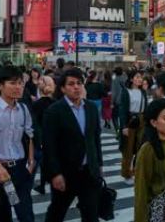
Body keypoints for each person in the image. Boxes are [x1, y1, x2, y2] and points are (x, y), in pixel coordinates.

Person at [43, 68, 104, 222]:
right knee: (57, 211)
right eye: (71, 84)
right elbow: (49, 146)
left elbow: (95, 139)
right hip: (66, 172)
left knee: (91, 214)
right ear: (62, 88)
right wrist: (55, 174)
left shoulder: (90, 108)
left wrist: (99, 165)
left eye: (79, 83)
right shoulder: (54, 111)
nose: (76, 87)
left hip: (88, 171)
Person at [0, 66, 35, 222]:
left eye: (20, 83)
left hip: (18, 171)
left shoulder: (23, 109)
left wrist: (31, 161)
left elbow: (29, 135)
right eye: (13, 83)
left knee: (24, 212)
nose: (18, 87)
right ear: (0, 86)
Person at [119, 70, 147, 185]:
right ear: (131, 79)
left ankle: (136, 172)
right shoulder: (126, 92)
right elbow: (122, 110)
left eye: (141, 77)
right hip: (130, 119)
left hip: (142, 120)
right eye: (137, 77)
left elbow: (146, 107)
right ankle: (126, 173)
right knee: (128, 148)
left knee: (141, 147)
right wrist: (123, 126)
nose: (140, 79)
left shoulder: (143, 92)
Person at [31, 75, 55, 195]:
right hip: (54, 140)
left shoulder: (36, 105)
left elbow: (34, 125)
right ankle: (43, 184)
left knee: (34, 165)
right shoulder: (56, 104)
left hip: (40, 140)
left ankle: (38, 185)